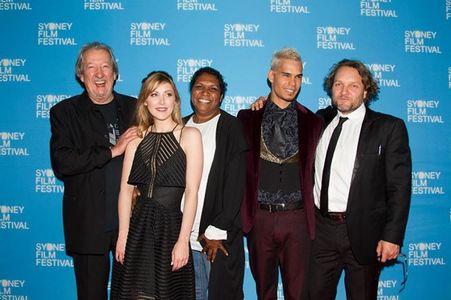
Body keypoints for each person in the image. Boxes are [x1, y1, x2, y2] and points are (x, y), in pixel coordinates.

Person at [309, 59, 411, 299]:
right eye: (338, 84)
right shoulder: (318, 121)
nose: (344, 92)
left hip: (364, 232)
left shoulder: (388, 128)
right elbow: (285, 112)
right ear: (330, 88)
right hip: (320, 231)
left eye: (353, 85)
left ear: (366, 91)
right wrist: (263, 104)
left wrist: (392, 236)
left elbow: (399, 187)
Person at [50, 42, 138, 300]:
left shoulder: (136, 108)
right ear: (81, 75)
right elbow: (62, 162)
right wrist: (113, 150)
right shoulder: (65, 112)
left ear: (115, 73)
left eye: (105, 66)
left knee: (133, 295)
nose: (99, 74)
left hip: (131, 223)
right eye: (91, 67)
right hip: (88, 224)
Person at [237, 48, 323, 300]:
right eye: (286, 75)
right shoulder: (246, 118)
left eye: (298, 76)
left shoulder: (315, 122)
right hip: (260, 218)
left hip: (298, 218)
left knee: (299, 293)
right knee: (265, 292)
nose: (292, 83)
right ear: (271, 75)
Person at [111, 71, 202, 299]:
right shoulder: (135, 140)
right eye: (154, 94)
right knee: (136, 293)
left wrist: (183, 241)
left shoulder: (189, 135)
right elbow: (125, 191)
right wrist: (123, 235)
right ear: (145, 101)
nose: (161, 102)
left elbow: (192, 192)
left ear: (176, 100)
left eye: (168, 94)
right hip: (138, 229)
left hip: (170, 229)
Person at [183, 67, 247, 300]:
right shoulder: (179, 126)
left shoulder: (231, 127)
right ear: (191, 91)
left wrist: (217, 230)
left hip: (217, 236)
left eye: (213, 88)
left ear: (221, 96)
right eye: (199, 86)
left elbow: (236, 183)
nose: (205, 93)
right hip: (182, 236)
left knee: (223, 293)